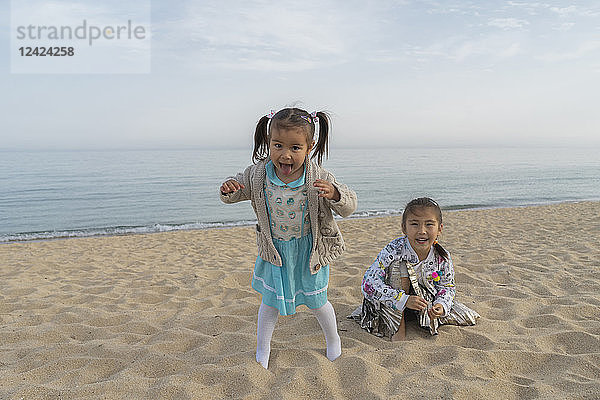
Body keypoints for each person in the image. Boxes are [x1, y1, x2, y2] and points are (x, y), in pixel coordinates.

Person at [219, 107, 357, 368]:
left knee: (318, 301)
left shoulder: (319, 177)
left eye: (295, 147)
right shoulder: (258, 174)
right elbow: (235, 192)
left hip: (309, 251)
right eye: (278, 145)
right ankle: (263, 350)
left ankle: (333, 340)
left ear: (310, 147)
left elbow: (350, 206)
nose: (285, 154)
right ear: (268, 142)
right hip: (275, 252)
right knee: (269, 303)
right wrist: (229, 189)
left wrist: (335, 194)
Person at [350, 197, 479, 340]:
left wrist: (440, 305)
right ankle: (399, 326)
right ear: (404, 227)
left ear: (440, 229)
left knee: (467, 316)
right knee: (398, 266)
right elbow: (368, 283)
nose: (422, 231)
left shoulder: (442, 257)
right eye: (414, 224)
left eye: (429, 224)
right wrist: (403, 299)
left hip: (421, 302)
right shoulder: (394, 250)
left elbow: (447, 286)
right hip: (392, 301)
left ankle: (420, 316)